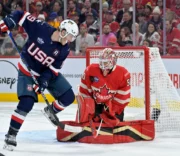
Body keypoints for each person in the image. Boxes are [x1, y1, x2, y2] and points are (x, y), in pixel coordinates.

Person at [0, 10, 79, 150]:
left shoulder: (64, 49)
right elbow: (21, 14)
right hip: (28, 70)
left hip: (45, 72)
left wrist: (43, 82)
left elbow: (54, 69)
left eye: (72, 38)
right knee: (26, 103)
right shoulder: (41, 28)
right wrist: (8, 22)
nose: (69, 41)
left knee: (68, 97)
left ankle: (51, 111)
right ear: (63, 31)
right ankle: (11, 135)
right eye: (70, 36)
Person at [78, 48, 131, 126]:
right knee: (89, 123)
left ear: (112, 62)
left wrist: (110, 112)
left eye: (106, 63)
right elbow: (84, 92)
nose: (103, 66)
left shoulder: (123, 74)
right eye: (101, 62)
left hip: (112, 106)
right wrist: (89, 109)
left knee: (113, 126)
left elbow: (122, 99)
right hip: (96, 104)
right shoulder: (90, 70)